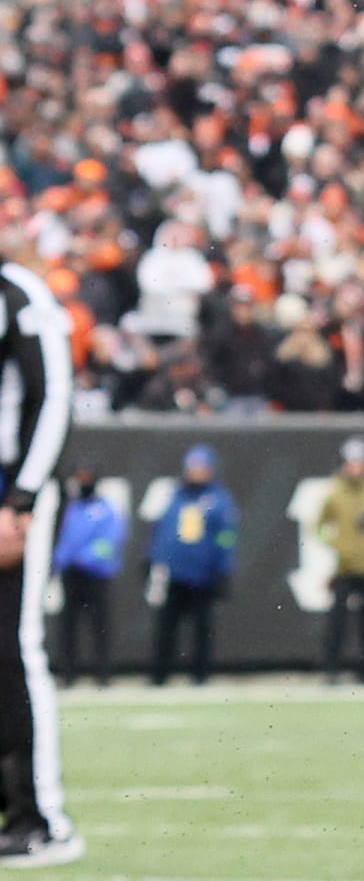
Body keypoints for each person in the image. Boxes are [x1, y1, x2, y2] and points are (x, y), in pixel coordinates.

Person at [0, 257, 84, 865]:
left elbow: (53, 391)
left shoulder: (17, 289)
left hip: (8, 486)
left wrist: (23, 496)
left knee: (12, 646)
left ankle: (39, 817)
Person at [147, 444, 239, 686]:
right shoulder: (174, 494)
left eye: (201, 467)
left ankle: (200, 675)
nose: (196, 472)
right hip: (174, 573)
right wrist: (152, 557)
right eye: (193, 467)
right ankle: (160, 675)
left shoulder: (219, 498)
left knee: (202, 628)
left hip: (203, 574)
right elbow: (161, 530)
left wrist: (224, 568)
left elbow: (225, 536)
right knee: (167, 627)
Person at [315, 436, 364, 684]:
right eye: (352, 463)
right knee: (337, 623)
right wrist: (338, 546)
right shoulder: (335, 494)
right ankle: (331, 670)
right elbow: (318, 526)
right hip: (344, 567)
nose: (356, 468)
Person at [51, 465, 127, 687]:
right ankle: (68, 675)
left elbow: (109, 542)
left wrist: (84, 558)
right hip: (71, 575)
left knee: (99, 626)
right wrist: (60, 561)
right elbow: (63, 539)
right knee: (68, 627)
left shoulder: (106, 509)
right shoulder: (71, 508)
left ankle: (102, 675)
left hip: (96, 574)